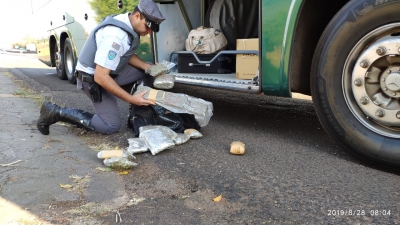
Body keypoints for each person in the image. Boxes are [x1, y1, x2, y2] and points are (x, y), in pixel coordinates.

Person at [37, 0, 165, 135]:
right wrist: (132, 99)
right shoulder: (115, 36)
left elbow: (126, 53)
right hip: (92, 79)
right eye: (148, 27)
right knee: (110, 126)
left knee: (147, 73)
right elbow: (100, 76)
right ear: (137, 16)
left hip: (110, 72)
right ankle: (55, 112)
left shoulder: (126, 22)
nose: (150, 32)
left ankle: (137, 118)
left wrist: (148, 67)